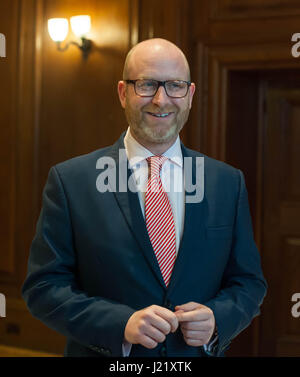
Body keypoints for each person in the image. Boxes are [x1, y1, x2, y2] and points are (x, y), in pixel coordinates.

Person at [22, 38, 267, 357]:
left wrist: (218, 319)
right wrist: (119, 324)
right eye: (147, 85)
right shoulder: (71, 182)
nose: (161, 99)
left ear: (190, 95)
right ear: (124, 93)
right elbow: (43, 288)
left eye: (175, 86)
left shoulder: (226, 182)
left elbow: (249, 284)